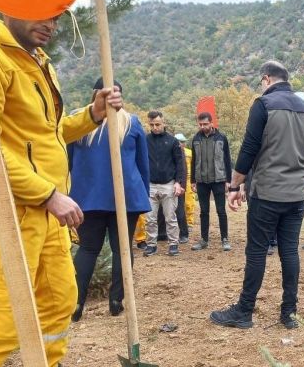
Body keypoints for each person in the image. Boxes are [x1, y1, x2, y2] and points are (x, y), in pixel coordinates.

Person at [0, 12, 122, 365]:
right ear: (9, 4)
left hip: (44, 211)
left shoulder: (36, 60)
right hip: (8, 209)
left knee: (58, 303)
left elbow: (44, 135)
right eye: (39, 12)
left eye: (55, 16)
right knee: (3, 323)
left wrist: (92, 116)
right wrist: (46, 194)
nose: (49, 23)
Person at [210, 60, 304, 329]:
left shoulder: (263, 105)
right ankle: (289, 313)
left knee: (257, 252)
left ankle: (244, 311)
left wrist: (235, 186)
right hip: (295, 196)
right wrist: (303, 184)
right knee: (290, 252)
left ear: (266, 79)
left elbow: (249, 148)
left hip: (267, 193)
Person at [69, 78, 150, 322]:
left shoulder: (77, 123)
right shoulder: (131, 122)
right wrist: (142, 195)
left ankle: (75, 304)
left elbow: (69, 163)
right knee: (122, 249)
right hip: (126, 197)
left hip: (88, 197)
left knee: (87, 249)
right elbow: (142, 165)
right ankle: (117, 301)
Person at [143, 111, 186, 257]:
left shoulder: (173, 141)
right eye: (152, 125)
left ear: (163, 123)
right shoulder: (145, 140)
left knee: (170, 217)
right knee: (150, 218)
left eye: (158, 124)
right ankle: (151, 244)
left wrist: (178, 183)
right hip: (150, 184)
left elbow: (180, 163)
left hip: (169, 183)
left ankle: (173, 244)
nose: (155, 127)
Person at [190, 112, 232, 252]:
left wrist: (229, 180)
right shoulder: (196, 139)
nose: (203, 127)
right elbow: (194, 160)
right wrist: (193, 180)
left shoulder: (221, 138)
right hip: (201, 180)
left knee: (221, 211)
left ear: (211, 123)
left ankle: (224, 239)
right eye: (200, 124)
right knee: (204, 211)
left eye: (205, 124)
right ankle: (204, 240)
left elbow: (227, 159)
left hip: (218, 179)